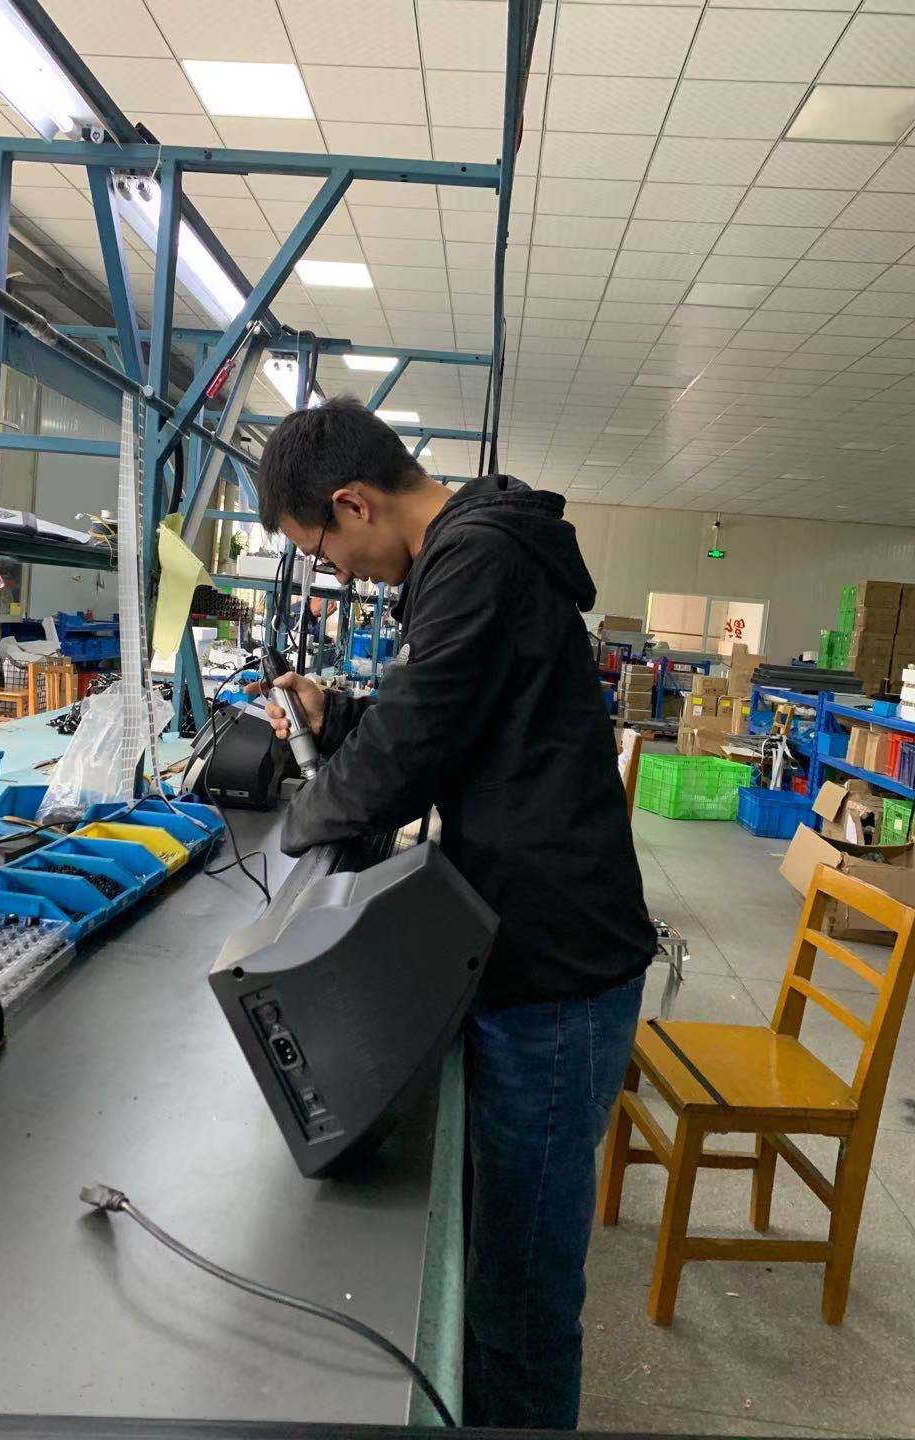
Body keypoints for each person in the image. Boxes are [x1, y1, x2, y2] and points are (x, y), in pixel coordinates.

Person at [250, 396, 656, 1430]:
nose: (342, 574)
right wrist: (341, 714)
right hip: (537, 949)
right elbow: (455, 715)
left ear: (354, 502)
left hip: (556, 975)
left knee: (520, 1302)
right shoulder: (474, 552)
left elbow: (410, 754)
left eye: (325, 551)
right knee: (500, 1269)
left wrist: (298, 823)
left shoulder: (475, 559)